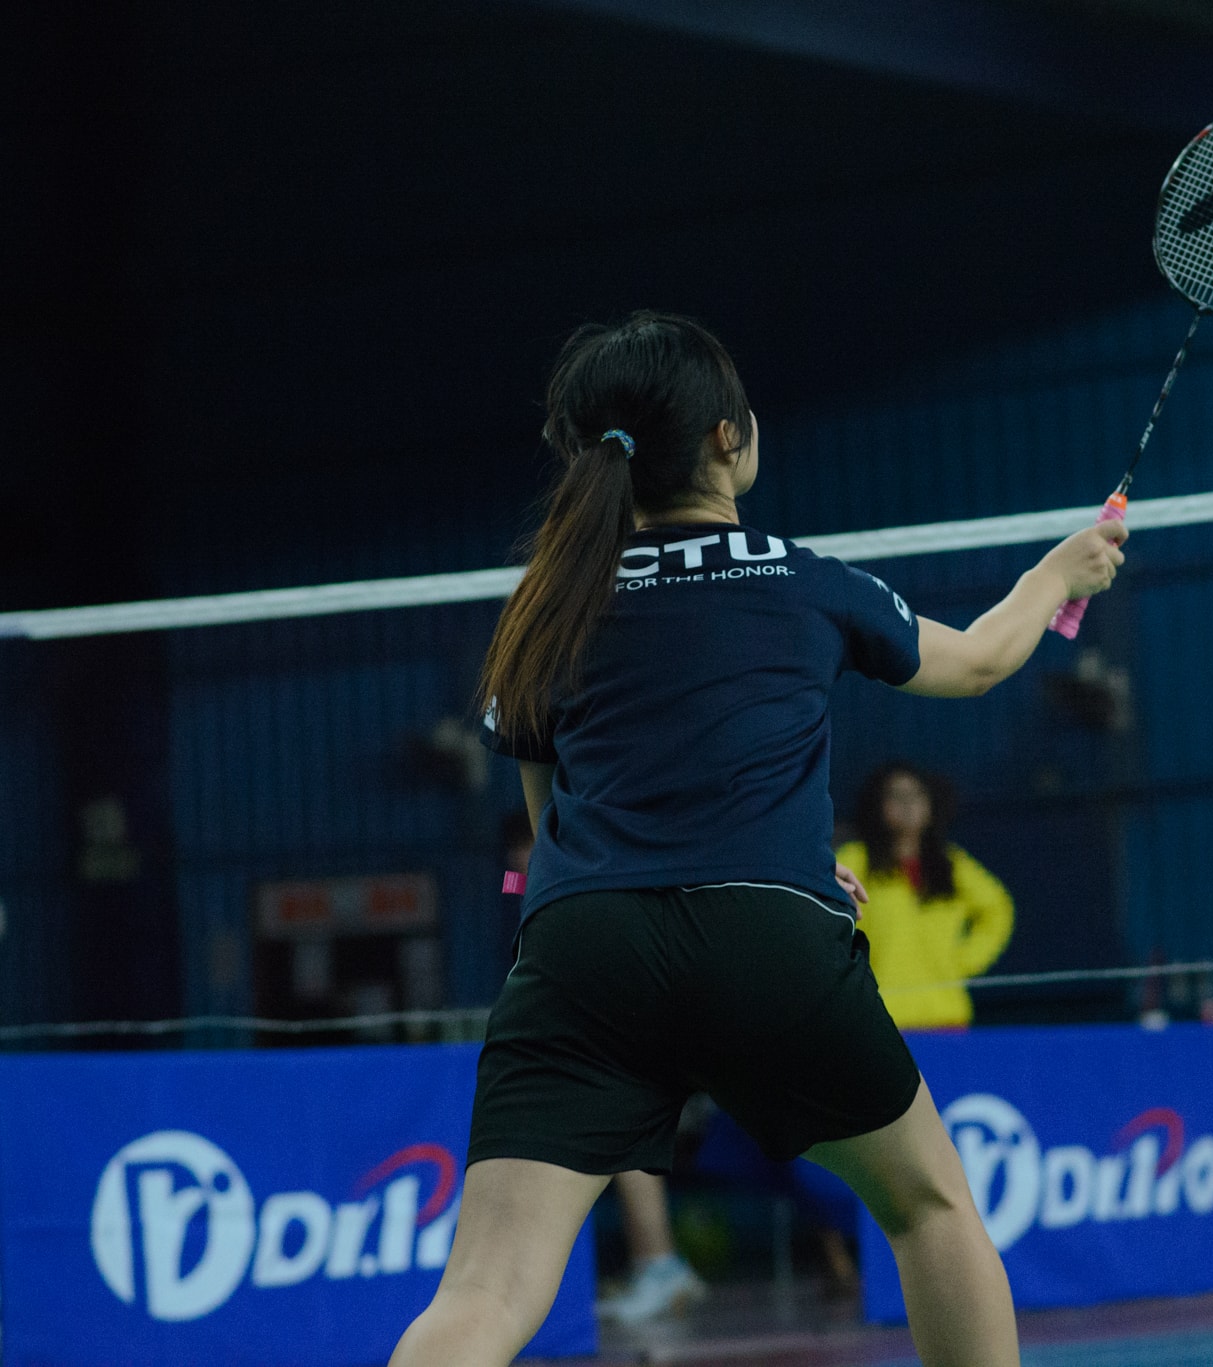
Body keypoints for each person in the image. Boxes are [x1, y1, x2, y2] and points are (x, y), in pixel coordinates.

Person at [388, 312, 1126, 1367]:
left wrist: (759, 863)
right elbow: (974, 662)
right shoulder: (803, 578)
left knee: (486, 1290)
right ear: (726, 439)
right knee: (930, 1210)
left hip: (581, 950)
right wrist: (1057, 574)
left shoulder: (546, 607)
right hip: (770, 941)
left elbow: (555, 827)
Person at [505, 808, 708, 1323]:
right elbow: (512, 885)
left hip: (627, 1027)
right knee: (619, 1151)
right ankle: (654, 1265)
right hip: (601, 1031)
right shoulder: (546, 884)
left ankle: (660, 1266)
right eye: (516, 851)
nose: (518, 860)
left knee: (627, 1150)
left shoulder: (587, 877)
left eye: (526, 846)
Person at [837, 764, 1015, 1031]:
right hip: (876, 1017)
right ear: (878, 805)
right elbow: (824, 920)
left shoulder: (951, 864)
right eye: (896, 796)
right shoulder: (855, 860)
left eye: (916, 795)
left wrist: (963, 960)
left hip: (945, 1015)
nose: (907, 805)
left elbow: (998, 909)